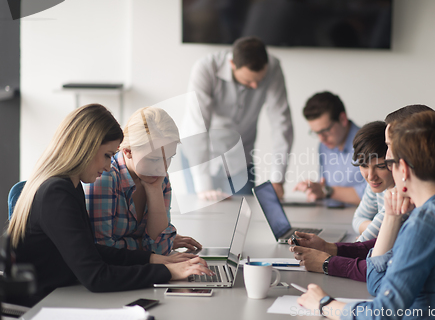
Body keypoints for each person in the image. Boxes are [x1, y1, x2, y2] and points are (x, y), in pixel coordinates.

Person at [8, 104, 213, 307]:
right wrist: (168, 272)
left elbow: (93, 251)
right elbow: (97, 277)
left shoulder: (70, 186)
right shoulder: (56, 194)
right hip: (43, 304)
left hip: (63, 294)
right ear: (85, 147)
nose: (109, 165)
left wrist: (155, 259)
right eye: (107, 155)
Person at [297, 111, 435, 319]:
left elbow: (382, 313)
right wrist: (391, 219)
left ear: (402, 169)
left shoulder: (426, 226)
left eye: (388, 160)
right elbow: (377, 284)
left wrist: (325, 304)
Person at [182, 36, 293, 200]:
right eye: (249, 81)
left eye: (259, 81)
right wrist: (204, 187)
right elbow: (197, 125)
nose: (255, 86)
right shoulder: (206, 68)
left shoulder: (273, 67)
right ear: (232, 64)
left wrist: (278, 178)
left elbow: (281, 124)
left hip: (241, 157)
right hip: (201, 156)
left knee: (244, 214)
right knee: (203, 214)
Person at [85, 107, 202, 255]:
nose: (163, 169)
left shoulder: (160, 178)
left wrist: (154, 190)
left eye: (169, 158)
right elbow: (103, 249)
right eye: (154, 159)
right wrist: (145, 245)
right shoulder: (104, 177)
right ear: (127, 151)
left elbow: (160, 249)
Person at [294, 92, 366, 205]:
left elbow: (375, 194)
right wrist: (314, 190)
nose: (321, 138)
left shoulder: (369, 144)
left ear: (342, 119)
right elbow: (324, 185)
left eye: (325, 130)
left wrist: (326, 191)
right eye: (316, 132)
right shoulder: (324, 146)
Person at [350, 121, 394, 242]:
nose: (370, 176)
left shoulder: (398, 194)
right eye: (364, 165)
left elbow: (359, 245)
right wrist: (374, 231)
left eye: (380, 167)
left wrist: (370, 235)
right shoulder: (376, 185)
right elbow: (358, 219)